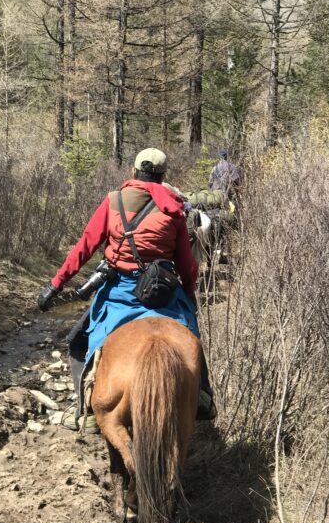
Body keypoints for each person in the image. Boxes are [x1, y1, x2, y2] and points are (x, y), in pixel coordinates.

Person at [37, 147, 216, 431]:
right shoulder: (174, 209)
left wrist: (55, 285)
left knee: (78, 342)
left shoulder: (113, 202)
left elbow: (84, 248)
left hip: (119, 290)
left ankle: (86, 410)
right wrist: (189, 295)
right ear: (163, 176)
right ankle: (203, 396)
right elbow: (188, 265)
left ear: (133, 172)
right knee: (191, 336)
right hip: (164, 292)